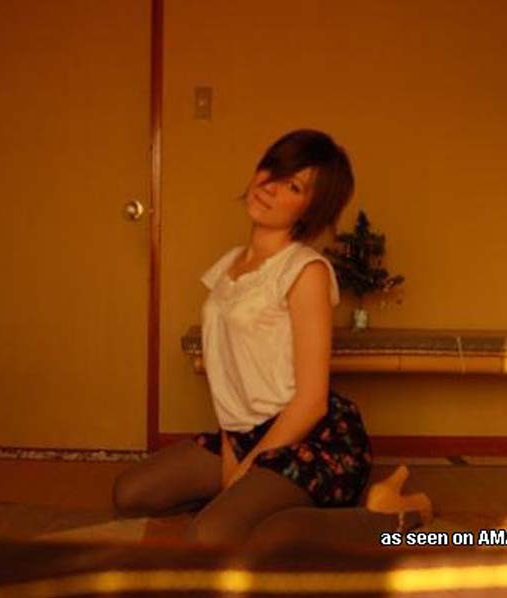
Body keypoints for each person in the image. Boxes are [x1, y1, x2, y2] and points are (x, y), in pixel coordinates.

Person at [112, 129, 430, 548]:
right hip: (242, 432)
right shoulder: (229, 267)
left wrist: (247, 471)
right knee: (131, 494)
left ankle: (394, 515)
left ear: (310, 210)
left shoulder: (305, 271)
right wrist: (233, 453)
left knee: (211, 536)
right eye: (272, 169)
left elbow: (311, 402)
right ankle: (265, 508)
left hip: (308, 439)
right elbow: (229, 376)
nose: (270, 186)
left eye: (293, 187)